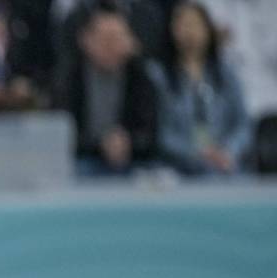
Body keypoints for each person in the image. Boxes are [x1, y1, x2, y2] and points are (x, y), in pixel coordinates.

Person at [149, 1, 252, 175]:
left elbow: (242, 124)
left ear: (208, 30)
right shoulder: (159, 75)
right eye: (183, 25)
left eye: (195, 24)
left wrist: (228, 151)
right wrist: (197, 154)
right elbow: (160, 132)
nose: (190, 31)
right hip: (179, 166)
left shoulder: (227, 73)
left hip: (225, 164)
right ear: (172, 30)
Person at [54, 6, 158, 174]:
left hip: (133, 159)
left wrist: (128, 142)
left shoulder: (141, 77)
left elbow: (150, 134)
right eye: (105, 39)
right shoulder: (69, 78)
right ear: (86, 40)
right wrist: (100, 144)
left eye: (117, 39)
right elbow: (61, 132)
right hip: (84, 158)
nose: (111, 47)